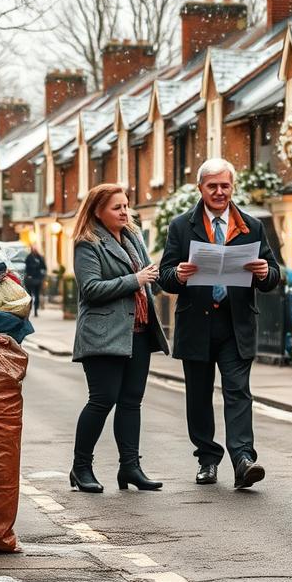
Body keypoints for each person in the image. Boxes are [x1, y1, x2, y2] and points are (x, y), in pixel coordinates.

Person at [158, 158, 281, 489]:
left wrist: (265, 273)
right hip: (196, 324)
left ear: (232, 187)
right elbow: (165, 276)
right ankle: (207, 460)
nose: (219, 192)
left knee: (238, 392)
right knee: (198, 396)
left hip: (235, 325)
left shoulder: (252, 226)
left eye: (225, 186)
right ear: (200, 189)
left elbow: (274, 273)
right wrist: (178, 275)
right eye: (212, 186)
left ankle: (243, 459)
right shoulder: (181, 226)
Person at [69, 184, 170, 493]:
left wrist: (171, 275)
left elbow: (149, 279)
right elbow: (91, 289)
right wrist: (135, 280)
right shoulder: (87, 243)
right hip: (103, 335)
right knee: (102, 400)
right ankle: (81, 468)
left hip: (137, 331)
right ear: (98, 211)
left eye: (127, 206)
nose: (125, 212)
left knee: (131, 402)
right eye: (117, 207)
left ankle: (130, 467)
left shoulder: (133, 238)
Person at [24, 246, 47, 317]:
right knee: (30, 296)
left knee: (36, 295)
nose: (34, 250)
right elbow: (26, 268)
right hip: (30, 280)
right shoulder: (28, 258)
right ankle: (29, 309)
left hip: (37, 279)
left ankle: (36, 310)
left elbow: (44, 267)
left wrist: (42, 276)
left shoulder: (40, 257)